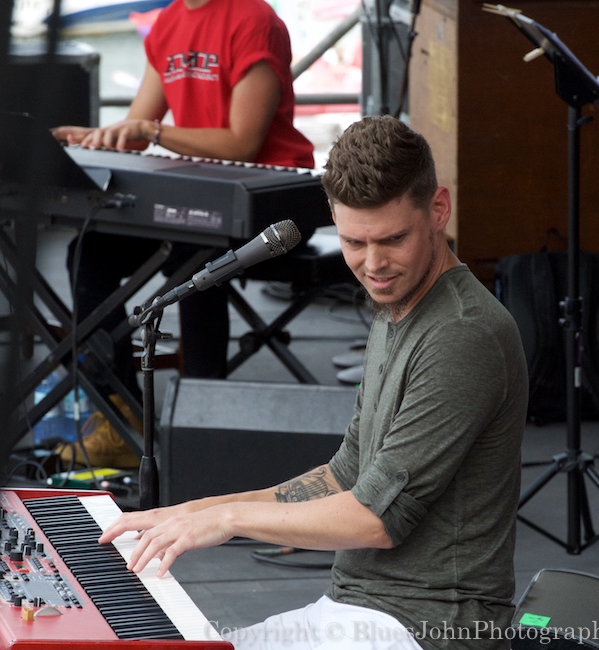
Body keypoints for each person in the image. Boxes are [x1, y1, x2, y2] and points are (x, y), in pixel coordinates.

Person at [98, 115, 528, 649]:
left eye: (393, 239)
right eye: (354, 242)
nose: (374, 265)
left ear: (438, 209)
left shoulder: (462, 335)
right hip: (364, 610)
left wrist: (229, 519)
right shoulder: (398, 304)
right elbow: (347, 473)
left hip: (428, 629)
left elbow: (376, 519)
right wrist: (194, 511)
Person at [51, 0, 315, 468]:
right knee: (88, 254)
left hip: (272, 198)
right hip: (196, 196)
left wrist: (153, 131)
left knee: (192, 258)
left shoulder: (253, 19)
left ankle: (198, 423)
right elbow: (138, 131)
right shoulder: (170, 22)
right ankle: (124, 416)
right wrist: (91, 137)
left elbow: (243, 142)